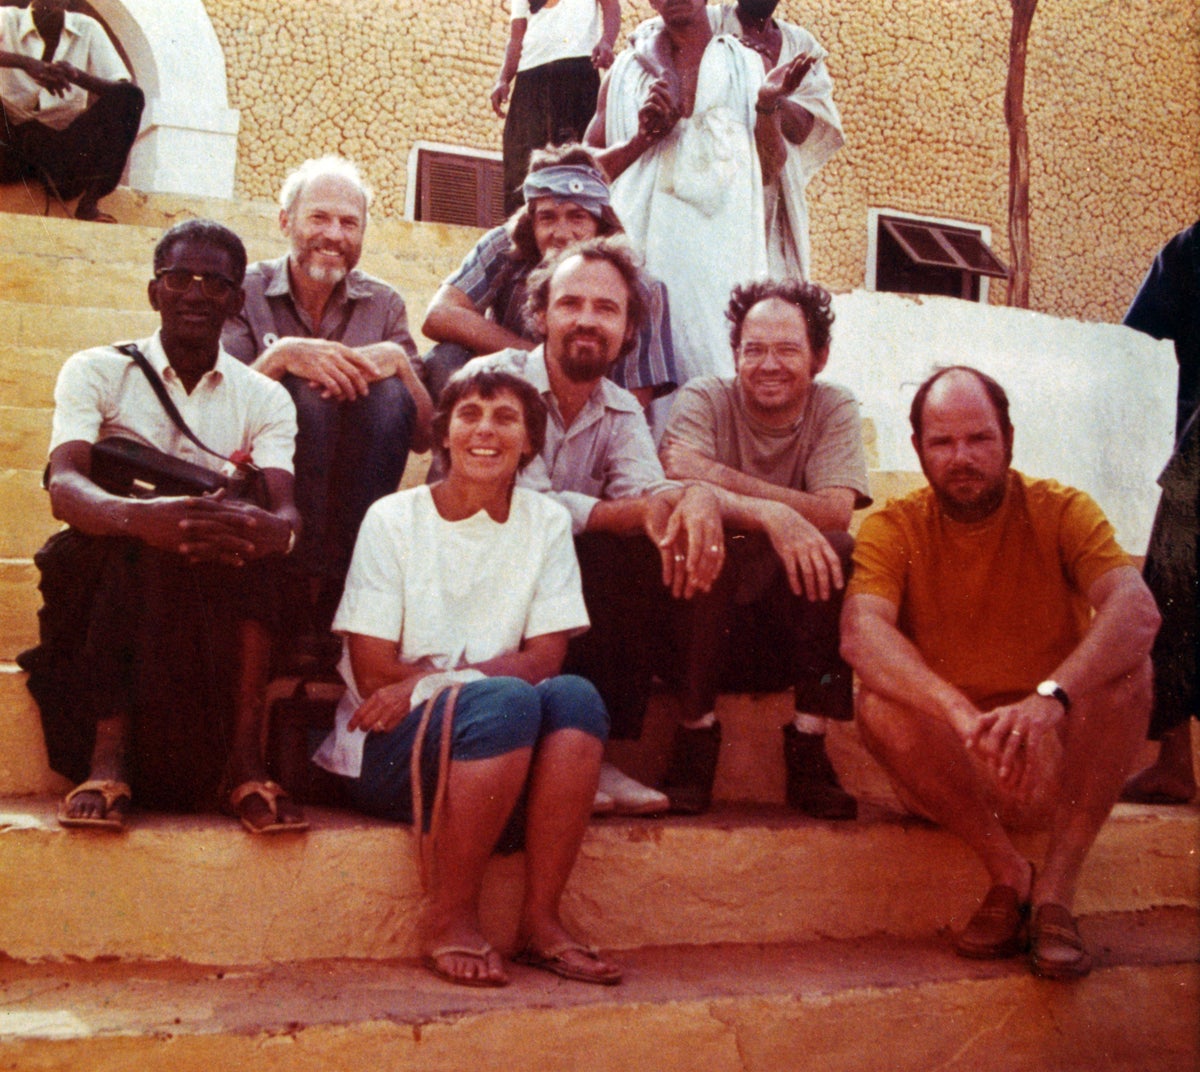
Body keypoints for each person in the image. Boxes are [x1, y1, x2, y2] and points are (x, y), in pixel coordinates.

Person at [840, 366, 1160, 980]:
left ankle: (1055, 894)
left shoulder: (1060, 509)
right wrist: (959, 713)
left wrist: (1050, 700)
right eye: (942, 442)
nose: (961, 457)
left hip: (1051, 753)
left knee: (1128, 672)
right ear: (918, 451)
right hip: (954, 762)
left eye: (978, 439)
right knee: (877, 702)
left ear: (1008, 438)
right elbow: (862, 633)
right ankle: (1008, 871)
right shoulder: (894, 526)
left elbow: (1136, 608)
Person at [311, 366, 620, 989]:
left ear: (530, 442)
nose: (486, 430)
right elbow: (374, 675)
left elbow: (546, 660)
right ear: (444, 436)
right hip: (389, 752)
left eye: (505, 418)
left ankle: (540, 923)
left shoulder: (545, 522)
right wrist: (462, 687)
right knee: (506, 700)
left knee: (577, 699)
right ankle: (450, 917)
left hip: (501, 752)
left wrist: (427, 681)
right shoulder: (394, 519)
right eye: (469, 416)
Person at [20, 219, 305, 834]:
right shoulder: (96, 369)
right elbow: (65, 485)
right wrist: (138, 518)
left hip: (209, 578)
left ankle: (245, 762)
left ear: (236, 301)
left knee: (261, 561)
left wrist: (266, 531)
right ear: (154, 292)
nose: (196, 293)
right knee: (132, 549)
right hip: (109, 568)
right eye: (180, 278)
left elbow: (285, 509)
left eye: (216, 282)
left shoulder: (264, 398)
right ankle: (107, 759)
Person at [463, 236, 725, 816]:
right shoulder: (493, 381)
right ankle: (547, 749)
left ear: (629, 329)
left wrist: (693, 497)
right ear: (539, 314)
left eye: (607, 309)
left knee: (634, 551)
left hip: (551, 581)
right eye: (570, 303)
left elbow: (645, 494)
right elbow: (509, 502)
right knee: (598, 543)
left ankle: (592, 750)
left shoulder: (620, 409)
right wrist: (616, 513)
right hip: (473, 569)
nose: (588, 320)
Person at [658, 279, 869, 816]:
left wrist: (720, 484)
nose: (768, 364)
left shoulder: (834, 406)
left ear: (819, 357)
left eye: (787, 349)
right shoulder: (706, 397)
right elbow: (676, 481)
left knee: (837, 547)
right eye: (754, 349)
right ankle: (694, 740)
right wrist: (774, 513)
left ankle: (809, 743)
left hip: (790, 639)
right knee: (699, 533)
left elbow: (835, 511)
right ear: (735, 355)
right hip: (702, 631)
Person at [222, 156, 432, 662]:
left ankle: (341, 590)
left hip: (353, 491)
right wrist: (281, 357)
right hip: (265, 489)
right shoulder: (244, 290)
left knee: (387, 398)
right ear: (284, 220)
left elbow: (426, 436)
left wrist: (401, 365)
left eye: (348, 222)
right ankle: (298, 591)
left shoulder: (384, 305)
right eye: (319, 217)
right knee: (304, 402)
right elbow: (218, 408)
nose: (334, 234)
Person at [585, 0, 811, 383]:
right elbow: (584, 177)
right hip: (641, 268)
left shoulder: (748, 66)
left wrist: (767, 106)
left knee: (715, 390)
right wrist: (642, 140)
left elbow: (769, 169)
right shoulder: (623, 73)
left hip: (721, 273)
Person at [421, 142, 677, 409]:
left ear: (601, 224)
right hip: (505, 396)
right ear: (531, 222)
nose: (562, 233)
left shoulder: (642, 288)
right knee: (444, 360)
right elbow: (439, 314)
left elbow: (633, 401)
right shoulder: (505, 246)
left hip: (588, 412)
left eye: (577, 217)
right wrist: (542, 361)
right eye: (548, 218)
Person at [633, 1, 843, 279]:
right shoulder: (711, 18)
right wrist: (667, 74)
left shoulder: (800, 44)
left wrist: (763, 86)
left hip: (775, 186)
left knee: (772, 283)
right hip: (720, 184)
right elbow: (644, 37)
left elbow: (805, 127)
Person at [1119, 220, 1199, 804]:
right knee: (1172, 584)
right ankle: (1174, 762)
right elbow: (1135, 350)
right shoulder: (1190, 251)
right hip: (1194, 456)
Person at [0, 0, 144, 223]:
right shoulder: (6, 18)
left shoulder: (88, 27)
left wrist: (78, 76)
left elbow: (123, 88)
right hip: (7, 146)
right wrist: (25, 63)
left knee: (131, 97)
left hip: (61, 159)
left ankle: (89, 205)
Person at [491, 0, 620, 215]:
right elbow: (516, 37)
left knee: (576, 158)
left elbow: (611, 7)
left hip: (576, 68)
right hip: (529, 76)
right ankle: (522, 236)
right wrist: (503, 78)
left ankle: (580, 229)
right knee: (522, 163)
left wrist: (607, 41)